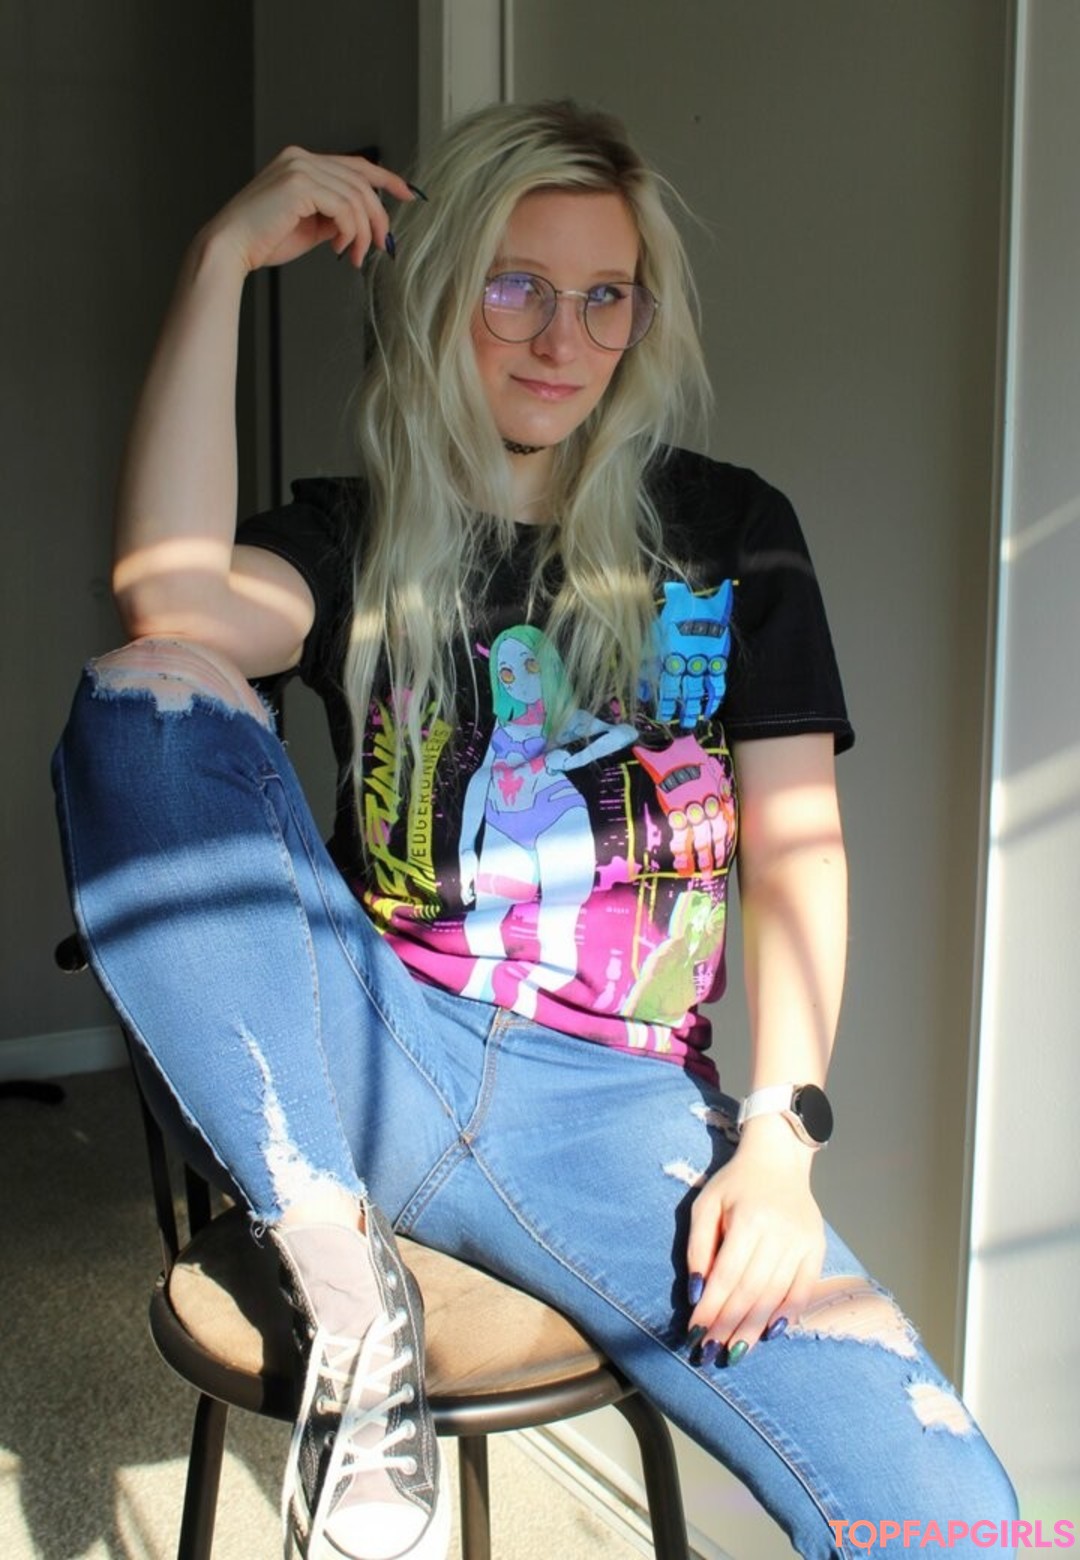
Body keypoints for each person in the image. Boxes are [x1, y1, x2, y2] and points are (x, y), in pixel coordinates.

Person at [52, 100, 1017, 1560]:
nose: (562, 338)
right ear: (443, 295)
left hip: (620, 1116)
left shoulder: (732, 534)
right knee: (143, 694)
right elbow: (170, 603)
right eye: (514, 286)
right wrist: (220, 260)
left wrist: (780, 1137)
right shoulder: (361, 531)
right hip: (366, 1050)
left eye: (603, 296)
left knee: (953, 1519)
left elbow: (799, 854)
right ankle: (342, 1278)